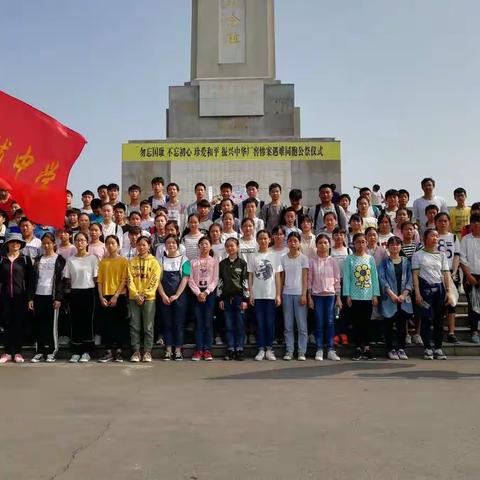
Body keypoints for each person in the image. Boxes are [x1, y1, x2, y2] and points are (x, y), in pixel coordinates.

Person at [412, 229, 452, 360]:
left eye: (436, 236)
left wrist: (448, 291)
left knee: (438, 320)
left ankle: (438, 348)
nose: (435, 238)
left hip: (439, 290)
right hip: (424, 290)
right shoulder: (418, 255)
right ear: (425, 238)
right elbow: (415, 275)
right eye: (432, 236)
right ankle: (428, 348)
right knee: (427, 319)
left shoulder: (442, 255)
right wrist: (417, 293)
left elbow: (446, 273)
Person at [63, 232, 99, 363]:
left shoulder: (93, 258)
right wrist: (66, 297)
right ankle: (76, 351)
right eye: (77, 240)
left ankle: (86, 351)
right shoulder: (70, 260)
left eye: (83, 240)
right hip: (75, 292)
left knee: (87, 321)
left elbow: (96, 278)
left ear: (87, 242)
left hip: (89, 292)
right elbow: (67, 279)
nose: (80, 243)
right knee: (75, 321)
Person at [343, 233, 380, 361]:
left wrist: (375, 294)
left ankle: (367, 348)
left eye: (363, 242)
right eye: (358, 242)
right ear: (354, 243)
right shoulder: (350, 259)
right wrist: (347, 295)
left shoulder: (370, 259)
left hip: (368, 296)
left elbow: (374, 277)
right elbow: (347, 278)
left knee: (367, 323)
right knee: (356, 323)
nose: (361, 244)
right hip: (355, 296)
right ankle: (358, 347)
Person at [29, 233, 66, 363]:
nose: (46, 245)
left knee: (51, 325)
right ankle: (39, 351)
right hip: (39, 295)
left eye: (49, 243)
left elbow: (61, 281)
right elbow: (32, 280)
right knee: (39, 324)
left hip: (52, 297)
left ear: (53, 244)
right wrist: (31, 298)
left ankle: (52, 351)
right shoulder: (38, 259)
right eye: (44, 243)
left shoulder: (59, 259)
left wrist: (58, 298)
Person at [248, 230, 283, 361]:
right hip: (257, 294)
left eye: (265, 238)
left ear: (270, 240)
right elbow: (250, 275)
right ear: (257, 240)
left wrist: (278, 294)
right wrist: (251, 293)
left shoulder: (274, 256)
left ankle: (269, 348)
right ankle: (261, 348)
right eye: (260, 239)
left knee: (270, 322)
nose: (263, 241)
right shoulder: (253, 256)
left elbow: (278, 277)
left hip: (270, 294)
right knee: (260, 322)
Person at [0, 233, 34, 363]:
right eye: (12, 242)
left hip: (21, 296)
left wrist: (30, 298)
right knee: (6, 323)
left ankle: (18, 352)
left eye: (18, 242)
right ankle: (7, 352)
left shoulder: (25, 259)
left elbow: (31, 280)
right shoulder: (2, 259)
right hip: (4, 297)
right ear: (7, 244)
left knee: (19, 324)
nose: (15, 244)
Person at [308, 234, 342, 361]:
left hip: (330, 296)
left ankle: (331, 349)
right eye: (320, 243)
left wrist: (338, 298)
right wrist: (309, 297)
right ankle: (319, 349)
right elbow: (309, 280)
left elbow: (337, 280)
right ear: (316, 245)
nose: (323, 245)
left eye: (325, 243)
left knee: (330, 322)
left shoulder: (333, 261)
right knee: (319, 322)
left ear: (329, 245)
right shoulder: (312, 261)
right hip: (317, 296)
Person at [128, 236, 161, 362]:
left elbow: (155, 280)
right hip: (133, 298)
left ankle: (147, 351)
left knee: (148, 326)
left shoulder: (154, 262)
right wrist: (136, 294)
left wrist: (145, 294)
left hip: (149, 298)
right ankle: (136, 351)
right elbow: (129, 279)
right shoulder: (131, 262)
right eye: (139, 245)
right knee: (135, 325)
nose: (141, 247)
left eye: (144, 245)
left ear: (148, 246)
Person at [378, 236, 412, 360]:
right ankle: (391, 348)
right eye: (392, 244)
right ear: (388, 247)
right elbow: (382, 279)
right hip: (389, 298)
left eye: (397, 244)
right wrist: (391, 294)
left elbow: (410, 279)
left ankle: (401, 348)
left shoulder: (406, 262)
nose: (395, 247)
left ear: (400, 246)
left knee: (402, 325)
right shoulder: (384, 262)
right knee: (388, 324)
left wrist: (404, 294)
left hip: (403, 299)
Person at [157, 234, 191, 361]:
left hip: (180, 297)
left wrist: (176, 295)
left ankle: (178, 350)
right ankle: (168, 349)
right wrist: (164, 295)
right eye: (168, 243)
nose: (171, 245)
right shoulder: (160, 260)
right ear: (165, 246)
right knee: (167, 323)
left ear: (178, 245)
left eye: (173, 243)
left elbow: (185, 278)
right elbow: (157, 280)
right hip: (164, 297)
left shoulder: (185, 260)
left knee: (179, 323)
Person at [97, 235, 129, 363]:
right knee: (107, 324)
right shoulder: (103, 262)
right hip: (105, 296)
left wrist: (116, 295)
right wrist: (101, 296)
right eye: (108, 243)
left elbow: (124, 280)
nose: (110, 246)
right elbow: (99, 281)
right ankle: (108, 351)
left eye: (113, 243)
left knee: (119, 324)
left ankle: (119, 351)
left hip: (119, 296)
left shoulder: (123, 261)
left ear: (118, 245)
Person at [217, 237, 249, 360]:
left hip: (239, 299)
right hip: (226, 299)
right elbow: (220, 282)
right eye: (228, 246)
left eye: (232, 246)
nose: (230, 248)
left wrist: (245, 300)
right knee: (229, 325)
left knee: (240, 325)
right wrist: (219, 298)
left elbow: (245, 282)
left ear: (237, 247)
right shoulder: (222, 264)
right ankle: (230, 349)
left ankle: (240, 349)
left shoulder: (242, 264)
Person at [189, 236, 219, 361]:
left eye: (207, 243)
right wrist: (198, 293)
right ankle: (198, 349)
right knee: (199, 322)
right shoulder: (191, 262)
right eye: (202, 244)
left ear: (210, 246)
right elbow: (189, 280)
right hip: (196, 294)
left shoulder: (214, 261)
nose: (204, 246)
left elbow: (215, 279)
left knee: (207, 322)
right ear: (198, 246)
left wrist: (206, 292)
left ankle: (207, 350)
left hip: (209, 294)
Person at [435, 212, 460, 344]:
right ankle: (437, 331)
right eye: (440, 221)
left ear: (449, 222)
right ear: (436, 223)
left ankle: (451, 332)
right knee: (439, 303)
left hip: (450, 273)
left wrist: (454, 272)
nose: (443, 223)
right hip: (436, 273)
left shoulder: (454, 237)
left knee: (452, 303)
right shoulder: (433, 236)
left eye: (445, 221)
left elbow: (456, 255)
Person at [460, 214, 480, 344]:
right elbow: (462, 258)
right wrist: (468, 276)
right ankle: (474, 332)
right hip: (470, 276)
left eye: (478, 222)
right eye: (474, 222)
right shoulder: (465, 239)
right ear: (470, 224)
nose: (476, 224)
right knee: (473, 305)